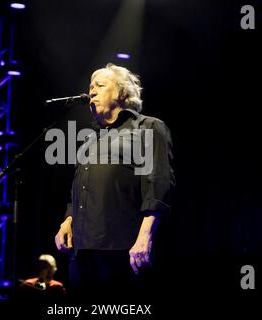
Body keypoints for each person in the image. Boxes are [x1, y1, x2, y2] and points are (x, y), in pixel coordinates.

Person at [54, 63, 175, 298]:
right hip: (81, 254)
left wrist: (144, 239)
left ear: (121, 93)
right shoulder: (90, 140)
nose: (92, 91)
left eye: (100, 85)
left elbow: (158, 185)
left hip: (123, 250)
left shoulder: (148, 127)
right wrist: (68, 220)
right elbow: (77, 189)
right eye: (90, 87)